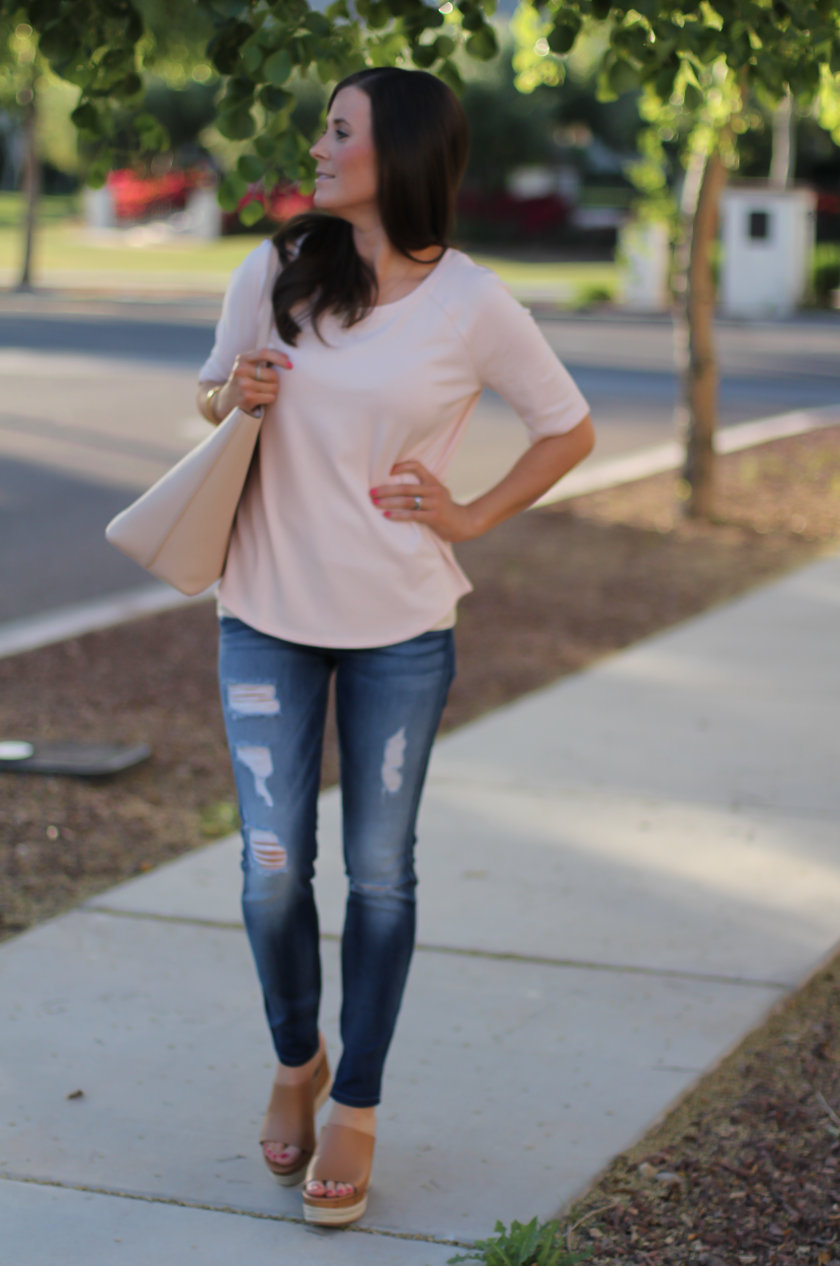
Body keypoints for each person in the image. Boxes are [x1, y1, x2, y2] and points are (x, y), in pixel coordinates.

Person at [196, 66, 594, 1228]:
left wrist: (467, 514)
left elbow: (565, 428)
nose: (319, 147)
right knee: (272, 870)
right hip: (263, 608)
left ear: (402, 152)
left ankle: (357, 1105)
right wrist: (237, 392)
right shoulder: (276, 267)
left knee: (380, 874)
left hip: (401, 632)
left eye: (340, 131)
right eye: (323, 127)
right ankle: (295, 1061)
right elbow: (211, 396)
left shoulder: (471, 302)